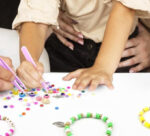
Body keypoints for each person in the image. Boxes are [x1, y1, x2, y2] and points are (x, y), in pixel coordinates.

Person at [13, 0, 150, 90]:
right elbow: (36, 15)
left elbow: (124, 9)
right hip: (68, 46)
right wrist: (29, 61)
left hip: (119, 50)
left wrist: (102, 67)